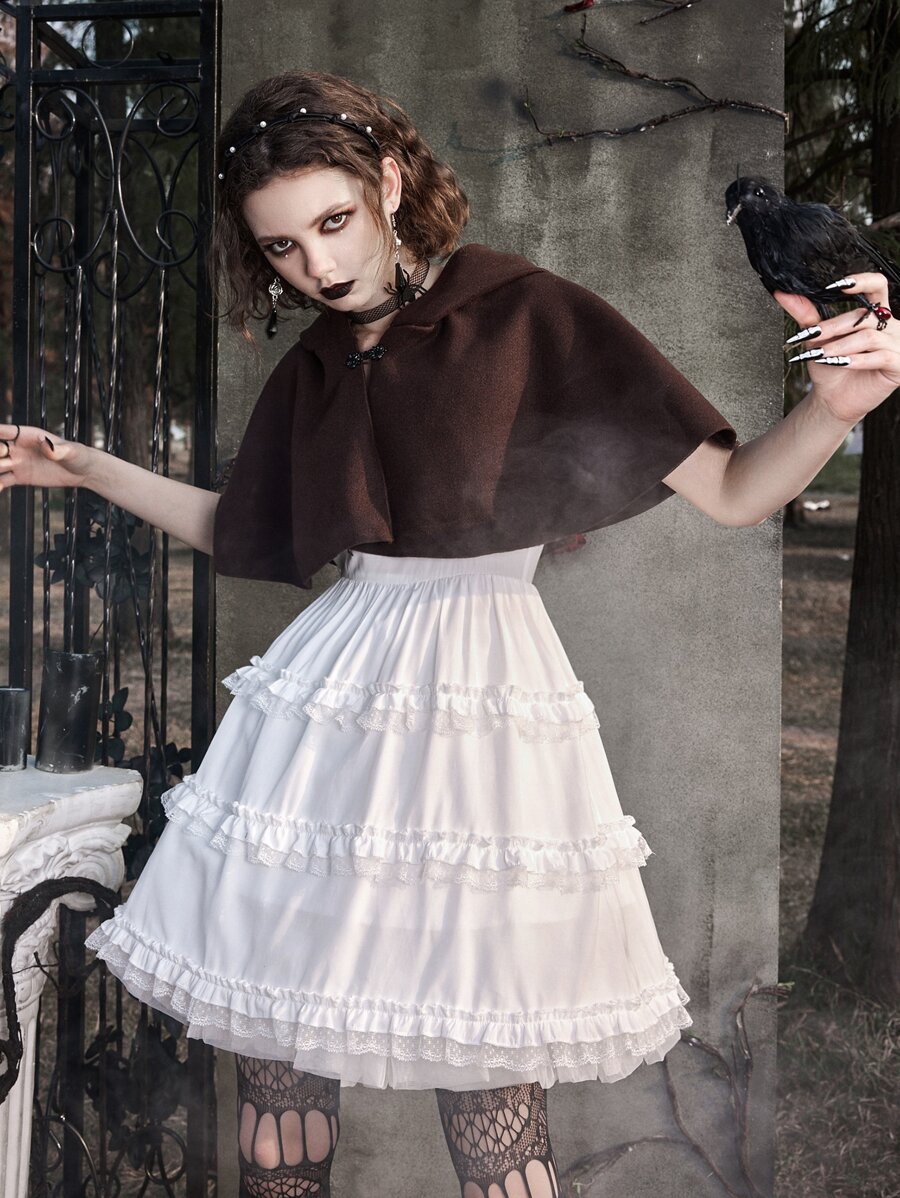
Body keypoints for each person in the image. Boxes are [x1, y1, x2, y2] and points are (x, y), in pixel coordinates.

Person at [2, 68, 898, 1198]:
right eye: (283, 247)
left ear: (388, 181)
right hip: (327, 719)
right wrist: (84, 467)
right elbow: (248, 527)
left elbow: (732, 490)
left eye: (334, 222)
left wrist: (831, 407)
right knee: (278, 1094)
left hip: (485, 710)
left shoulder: (527, 312)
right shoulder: (317, 364)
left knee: (494, 1097)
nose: (318, 265)